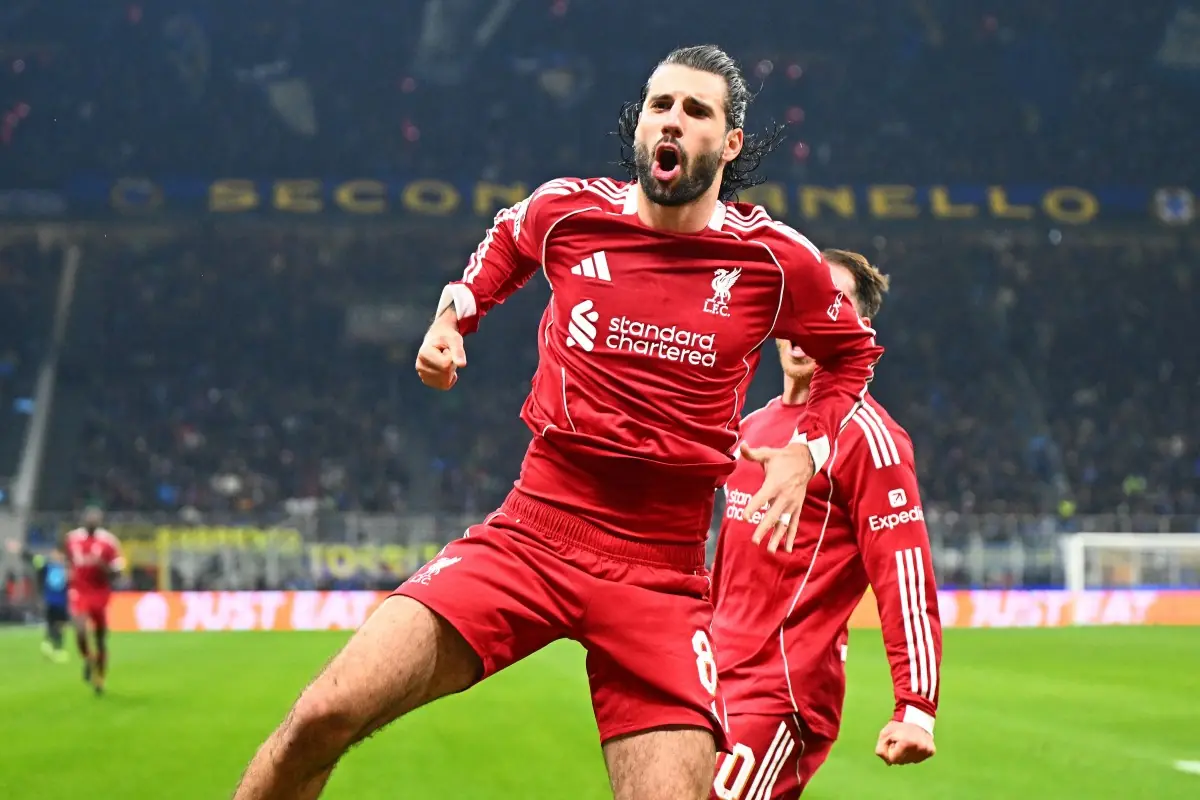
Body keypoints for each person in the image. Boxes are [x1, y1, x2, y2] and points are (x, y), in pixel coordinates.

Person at [233, 44, 882, 800]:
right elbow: (506, 243)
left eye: (695, 110)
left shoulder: (774, 261)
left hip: (661, 574)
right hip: (533, 533)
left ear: (730, 142)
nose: (672, 120)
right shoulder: (568, 212)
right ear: (640, 123)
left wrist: (808, 448)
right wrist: (453, 319)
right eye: (660, 105)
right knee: (320, 716)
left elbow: (851, 355)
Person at [709, 250, 941, 800]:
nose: (812, 320)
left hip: (780, 692)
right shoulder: (750, 427)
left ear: (859, 328)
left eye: (832, 305)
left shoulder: (869, 439)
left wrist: (916, 707)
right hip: (711, 677)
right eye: (801, 302)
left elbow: (904, 572)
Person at [63, 507, 125, 695]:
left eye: (95, 519)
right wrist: (68, 574)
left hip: (100, 592)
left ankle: (100, 678)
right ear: (83, 520)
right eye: (89, 518)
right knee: (80, 630)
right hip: (79, 590)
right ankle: (88, 658)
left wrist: (104, 567)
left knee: (100, 638)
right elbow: (68, 559)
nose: (92, 521)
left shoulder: (109, 542)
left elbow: (118, 572)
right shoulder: (72, 538)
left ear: (100, 521)